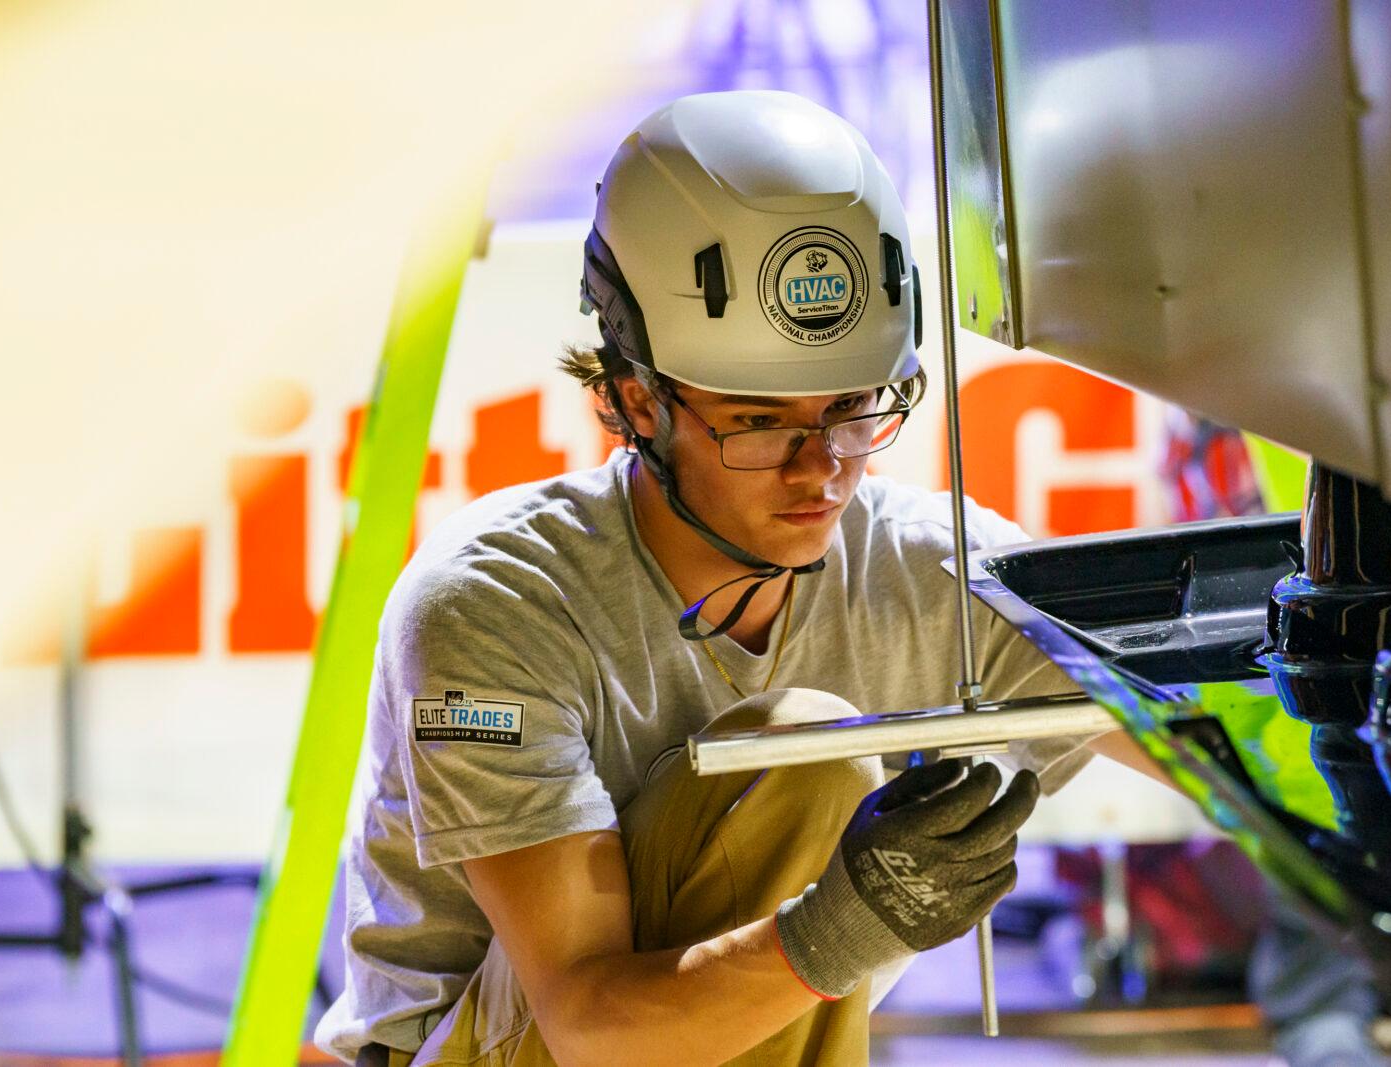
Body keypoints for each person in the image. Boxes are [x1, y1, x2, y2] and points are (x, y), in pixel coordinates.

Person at [316, 90, 1123, 1066]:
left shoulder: (933, 570)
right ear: (632, 400)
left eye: (853, 406)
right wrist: (844, 925)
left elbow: (1207, 718)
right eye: (758, 420)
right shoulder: (495, 601)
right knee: (803, 753)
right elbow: (589, 1025)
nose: (820, 464)